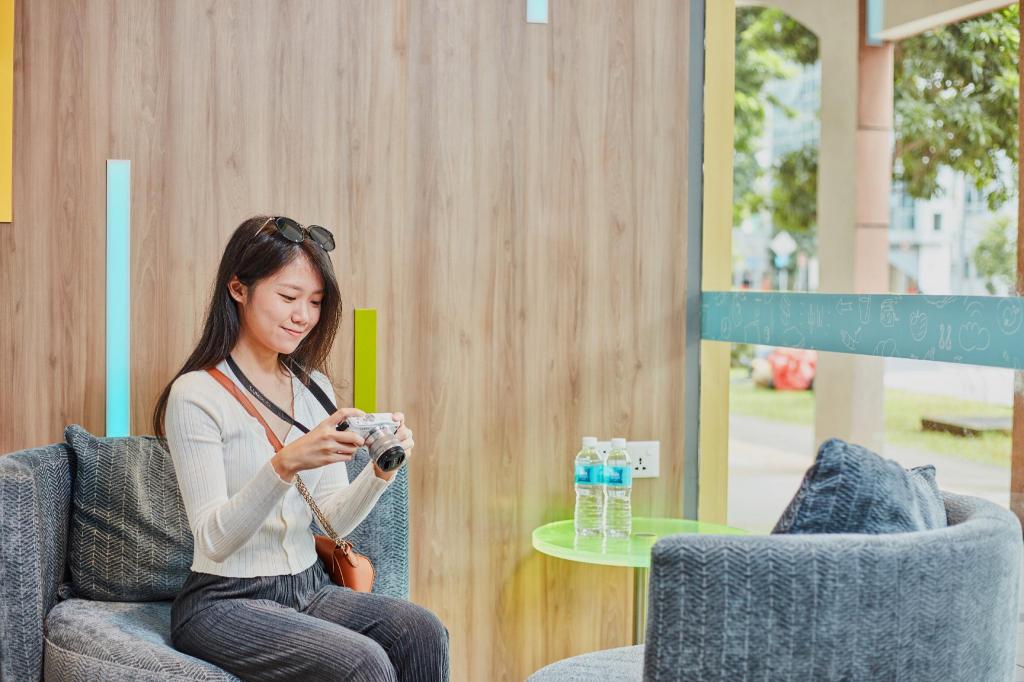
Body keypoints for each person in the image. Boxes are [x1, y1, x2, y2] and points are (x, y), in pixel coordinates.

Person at [151, 215, 449, 681]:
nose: (303, 316)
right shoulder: (196, 394)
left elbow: (332, 520)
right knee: (362, 662)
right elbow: (213, 540)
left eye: (315, 301)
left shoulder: (314, 389)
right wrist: (285, 464)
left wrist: (379, 473)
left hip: (309, 586)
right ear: (238, 289)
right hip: (224, 600)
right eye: (289, 297)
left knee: (423, 630)